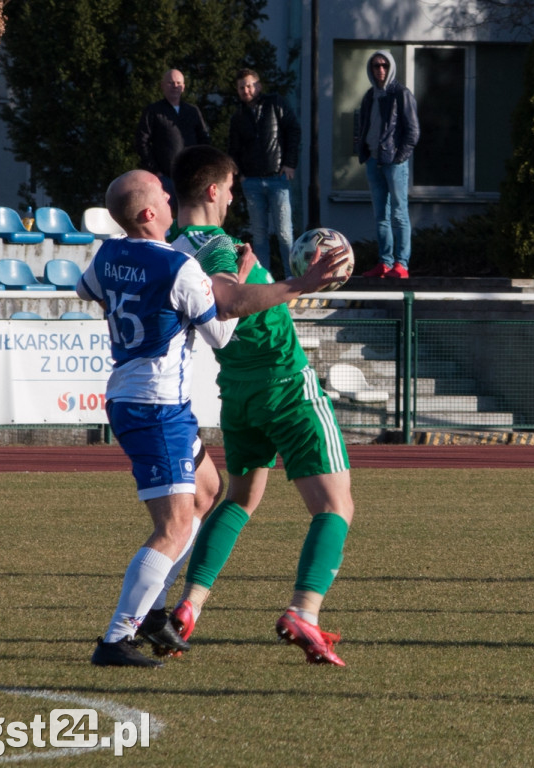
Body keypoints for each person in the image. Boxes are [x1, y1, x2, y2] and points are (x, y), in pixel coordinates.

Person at [78, 169, 350, 668]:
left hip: (145, 398)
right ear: (148, 214)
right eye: (161, 192)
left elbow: (85, 289)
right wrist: (288, 282)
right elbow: (224, 322)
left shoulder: (108, 253)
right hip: (156, 404)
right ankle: (117, 638)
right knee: (175, 526)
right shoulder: (178, 267)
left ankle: (158, 611)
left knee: (209, 490)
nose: (168, 192)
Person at [158, 145, 355, 667]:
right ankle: (304, 612)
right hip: (285, 382)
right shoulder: (217, 245)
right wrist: (299, 284)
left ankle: (188, 607)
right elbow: (229, 299)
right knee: (336, 506)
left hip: (238, 393)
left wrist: (252, 278)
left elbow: (219, 304)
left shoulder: (175, 248)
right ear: (212, 191)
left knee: (241, 500)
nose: (232, 198)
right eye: (230, 186)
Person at [228, 68, 301, 279]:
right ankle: (264, 280)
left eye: (250, 85)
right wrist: (240, 174)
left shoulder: (275, 103)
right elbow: (233, 148)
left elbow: (293, 130)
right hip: (251, 181)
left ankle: (292, 278)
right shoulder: (238, 116)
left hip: (277, 177)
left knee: (285, 233)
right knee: (259, 236)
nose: (246, 90)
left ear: (258, 86)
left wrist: (289, 163)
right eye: (241, 87)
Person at [358, 50, 420, 279]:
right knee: (380, 216)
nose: (380, 70)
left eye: (384, 65)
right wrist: (362, 149)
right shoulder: (368, 96)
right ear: (371, 69)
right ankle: (385, 263)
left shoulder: (401, 93)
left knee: (399, 213)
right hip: (373, 161)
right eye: (376, 65)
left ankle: (401, 265)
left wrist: (398, 158)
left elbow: (413, 132)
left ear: (390, 67)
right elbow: (363, 125)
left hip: (393, 162)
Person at [135, 68, 210, 211]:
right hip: (164, 178)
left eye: (178, 83)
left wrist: (201, 167)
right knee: (165, 217)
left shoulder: (192, 111)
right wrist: (155, 170)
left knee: (189, 215)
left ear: (184, 86)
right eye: (170, 83)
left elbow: (204, 140)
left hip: (190, 177)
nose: (175, 86)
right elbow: (141, 141)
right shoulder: (153, 111)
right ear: (162, 85)